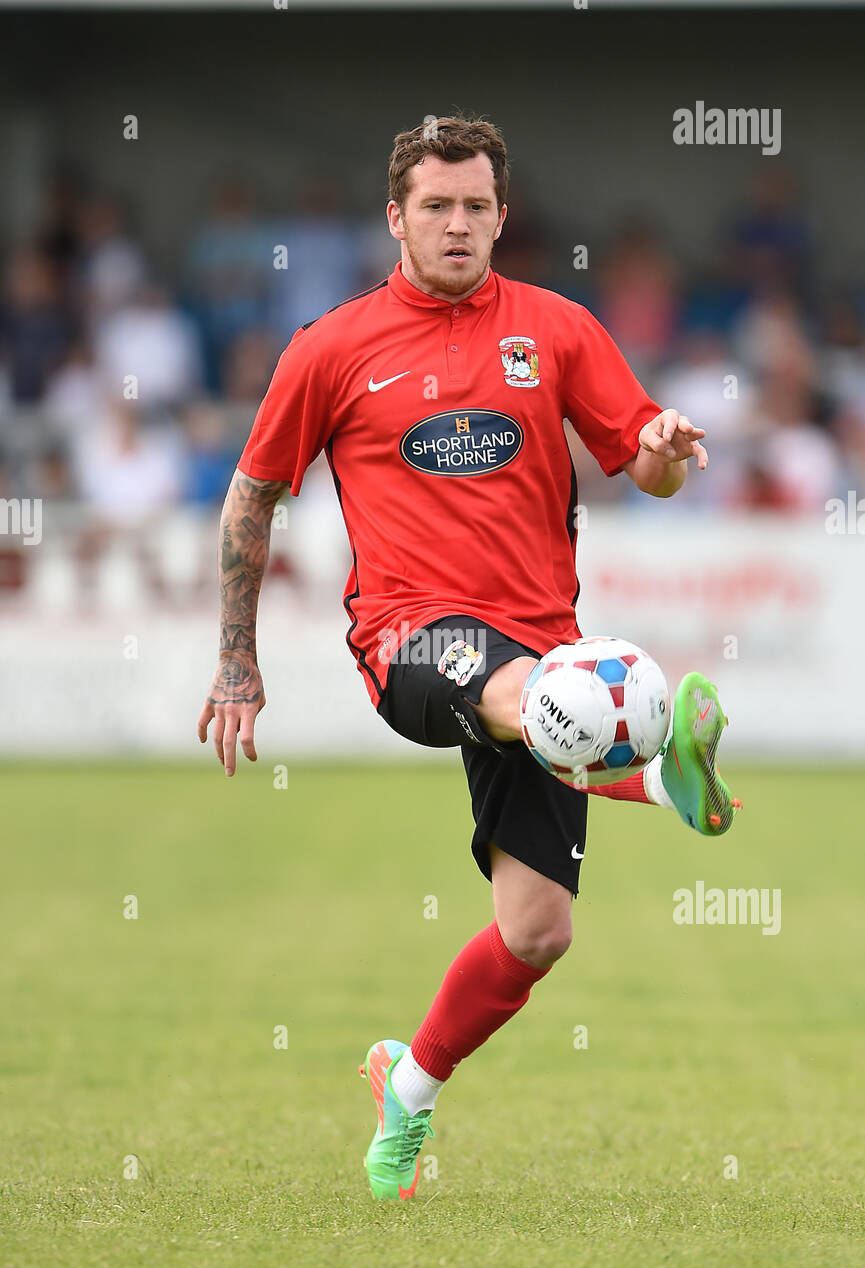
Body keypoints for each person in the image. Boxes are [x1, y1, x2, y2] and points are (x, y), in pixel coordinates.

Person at [197, 116, 740, 1202]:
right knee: (550, 689)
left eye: (476, 206)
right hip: (409, 638)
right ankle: (650, 761)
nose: (457, 224)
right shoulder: (332, 346)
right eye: (435, 207)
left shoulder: (556, 329)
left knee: (537, 934)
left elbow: (641, 458)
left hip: (544, 656)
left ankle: (407, 1087)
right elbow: (252, 494)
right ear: (395, 218)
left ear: (503, 215)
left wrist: (668, 452)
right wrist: (237, 663)